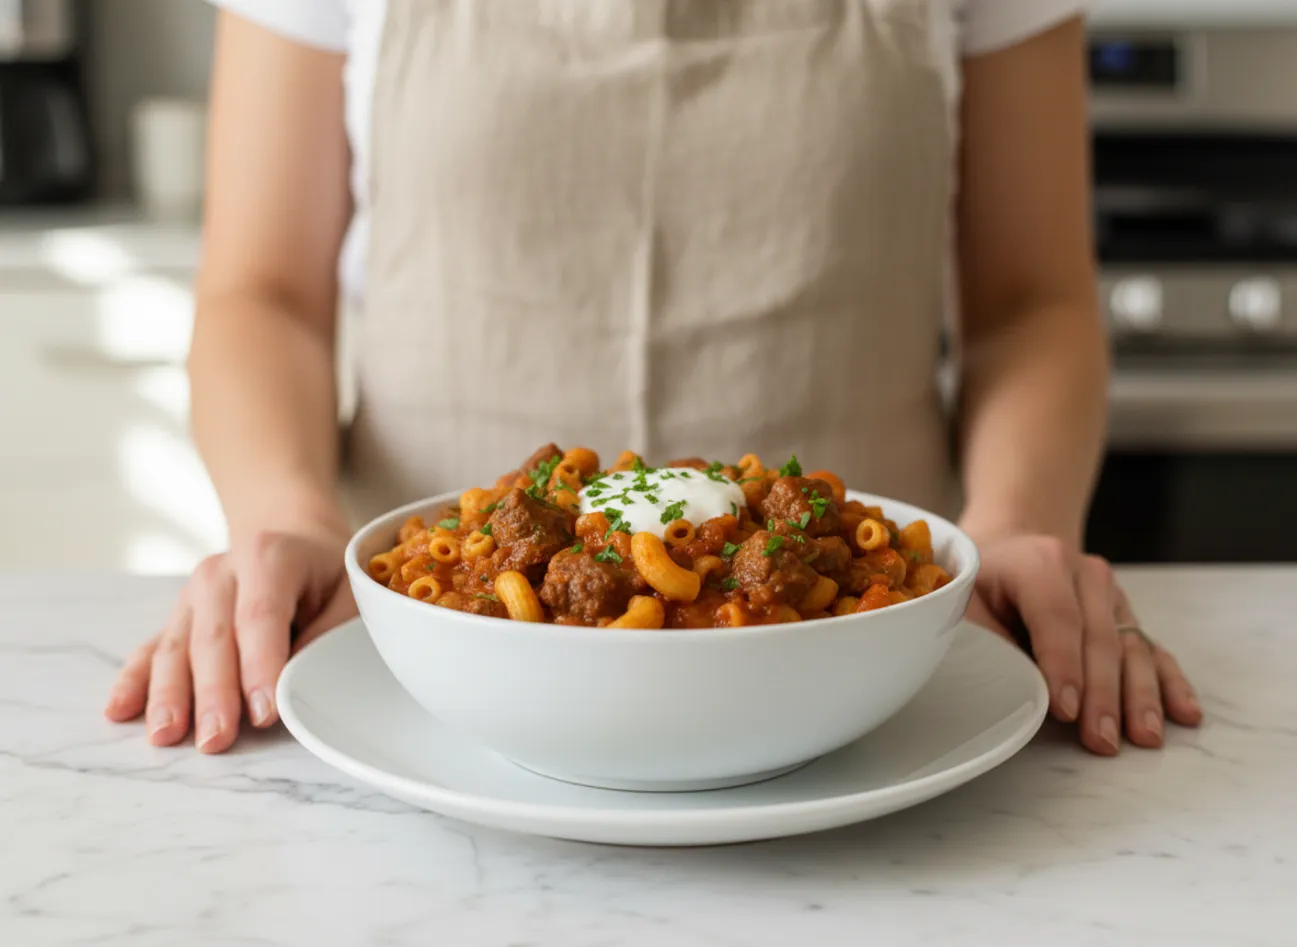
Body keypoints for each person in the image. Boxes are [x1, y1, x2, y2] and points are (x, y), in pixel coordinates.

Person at [104, 0, 1202, 757]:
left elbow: (1030, 302)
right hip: (435, 657)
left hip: (863, 669)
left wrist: (1010, 524)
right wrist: (286, 515)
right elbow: (262, 291)